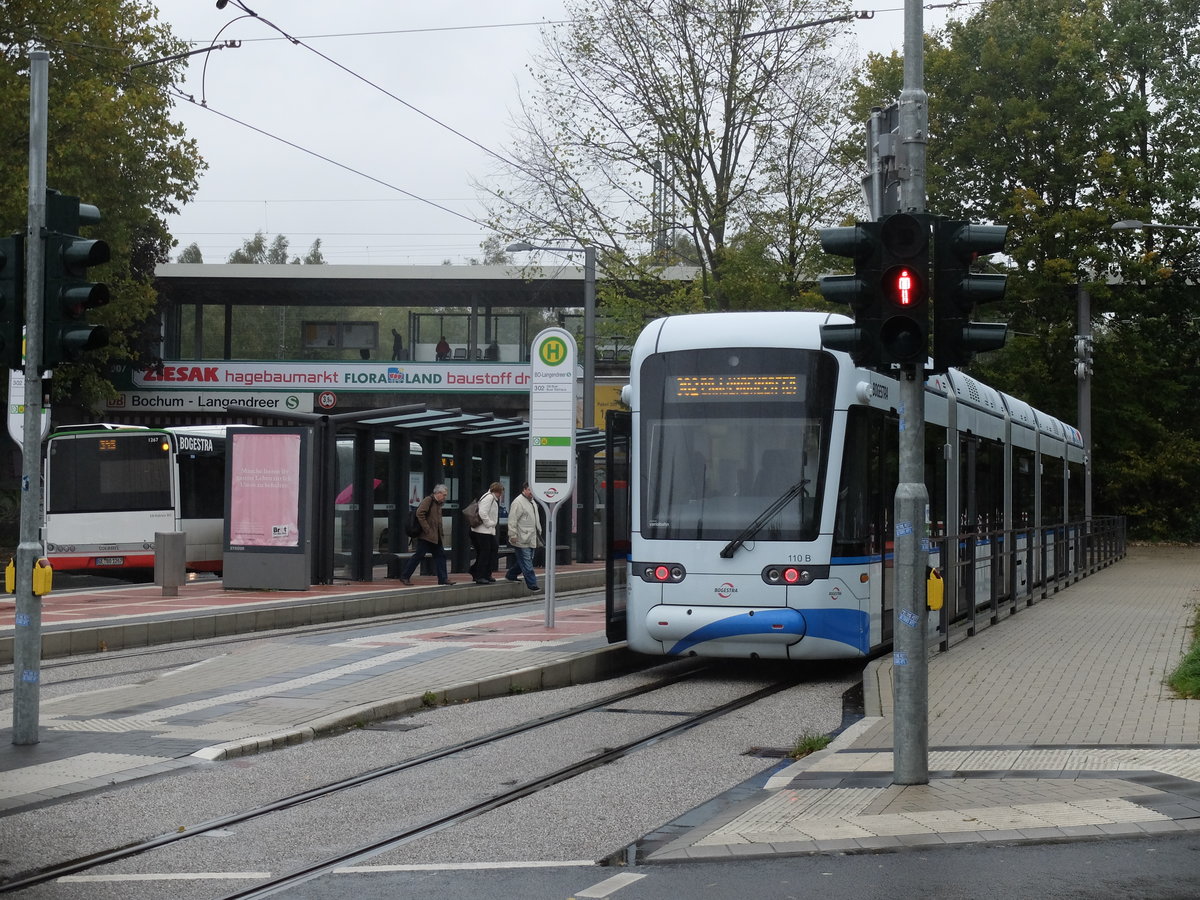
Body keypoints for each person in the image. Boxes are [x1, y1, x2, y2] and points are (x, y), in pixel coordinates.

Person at [399, 484, 457, 586]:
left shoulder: (438, 503)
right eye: (444, 495)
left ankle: (443, 578)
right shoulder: (428, 500)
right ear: (438, 493)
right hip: (426, 536)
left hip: (435, 536)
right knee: (419, 556)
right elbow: (419, 513)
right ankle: (405, 576)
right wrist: (427, 529)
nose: (445, 497)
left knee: (441, 556)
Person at [504, 482, 541, 591]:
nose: (532, 493)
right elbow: (512, 520)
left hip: (531, 537)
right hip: (521, 538)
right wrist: (512, 534)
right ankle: (532, 584)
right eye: (530, 490)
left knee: (525, 561)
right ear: (524, 489)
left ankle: (511, 575)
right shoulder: (518, 502)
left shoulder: (532, 502)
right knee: (527, 562)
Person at [469, 481, 504, 584]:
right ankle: (481, 575)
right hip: (482, 531)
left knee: (490, 551)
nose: (501, 494)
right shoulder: (489, 498)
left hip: (485, 531)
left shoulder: (490, 497)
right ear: (498, 491)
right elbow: (482, 512)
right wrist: (490, 523)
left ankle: (482, 573)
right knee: (486, 553)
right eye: (501, 492)